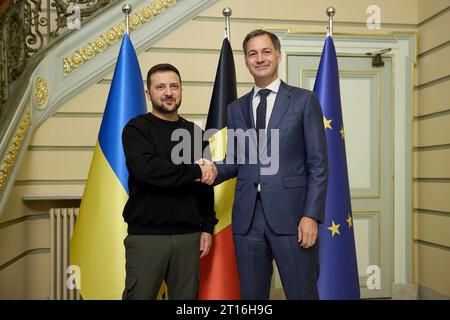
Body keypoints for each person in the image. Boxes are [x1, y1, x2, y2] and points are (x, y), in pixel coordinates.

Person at [199, 30, 328, 299]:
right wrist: (212, 169)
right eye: (252, 54)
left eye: (266, 52)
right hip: (248, 221)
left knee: (301, 293)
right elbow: (237, 162)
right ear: (246, 61)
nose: (260, 59)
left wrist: (311, 215)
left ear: (278, 56)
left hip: (293, 217)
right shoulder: (236, 108)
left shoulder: (304, 101)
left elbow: (318, 164)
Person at [121, 63, 218, 300]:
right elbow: (149, 171)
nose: (168, 92)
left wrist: (207, 227)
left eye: (174, 86)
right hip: (147, 237)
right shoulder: (136, 129)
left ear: (181, 90)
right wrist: (195, 169)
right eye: (160, 86)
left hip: (188, 237)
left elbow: (204, 185)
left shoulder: (194, 133)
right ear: (148, 93)